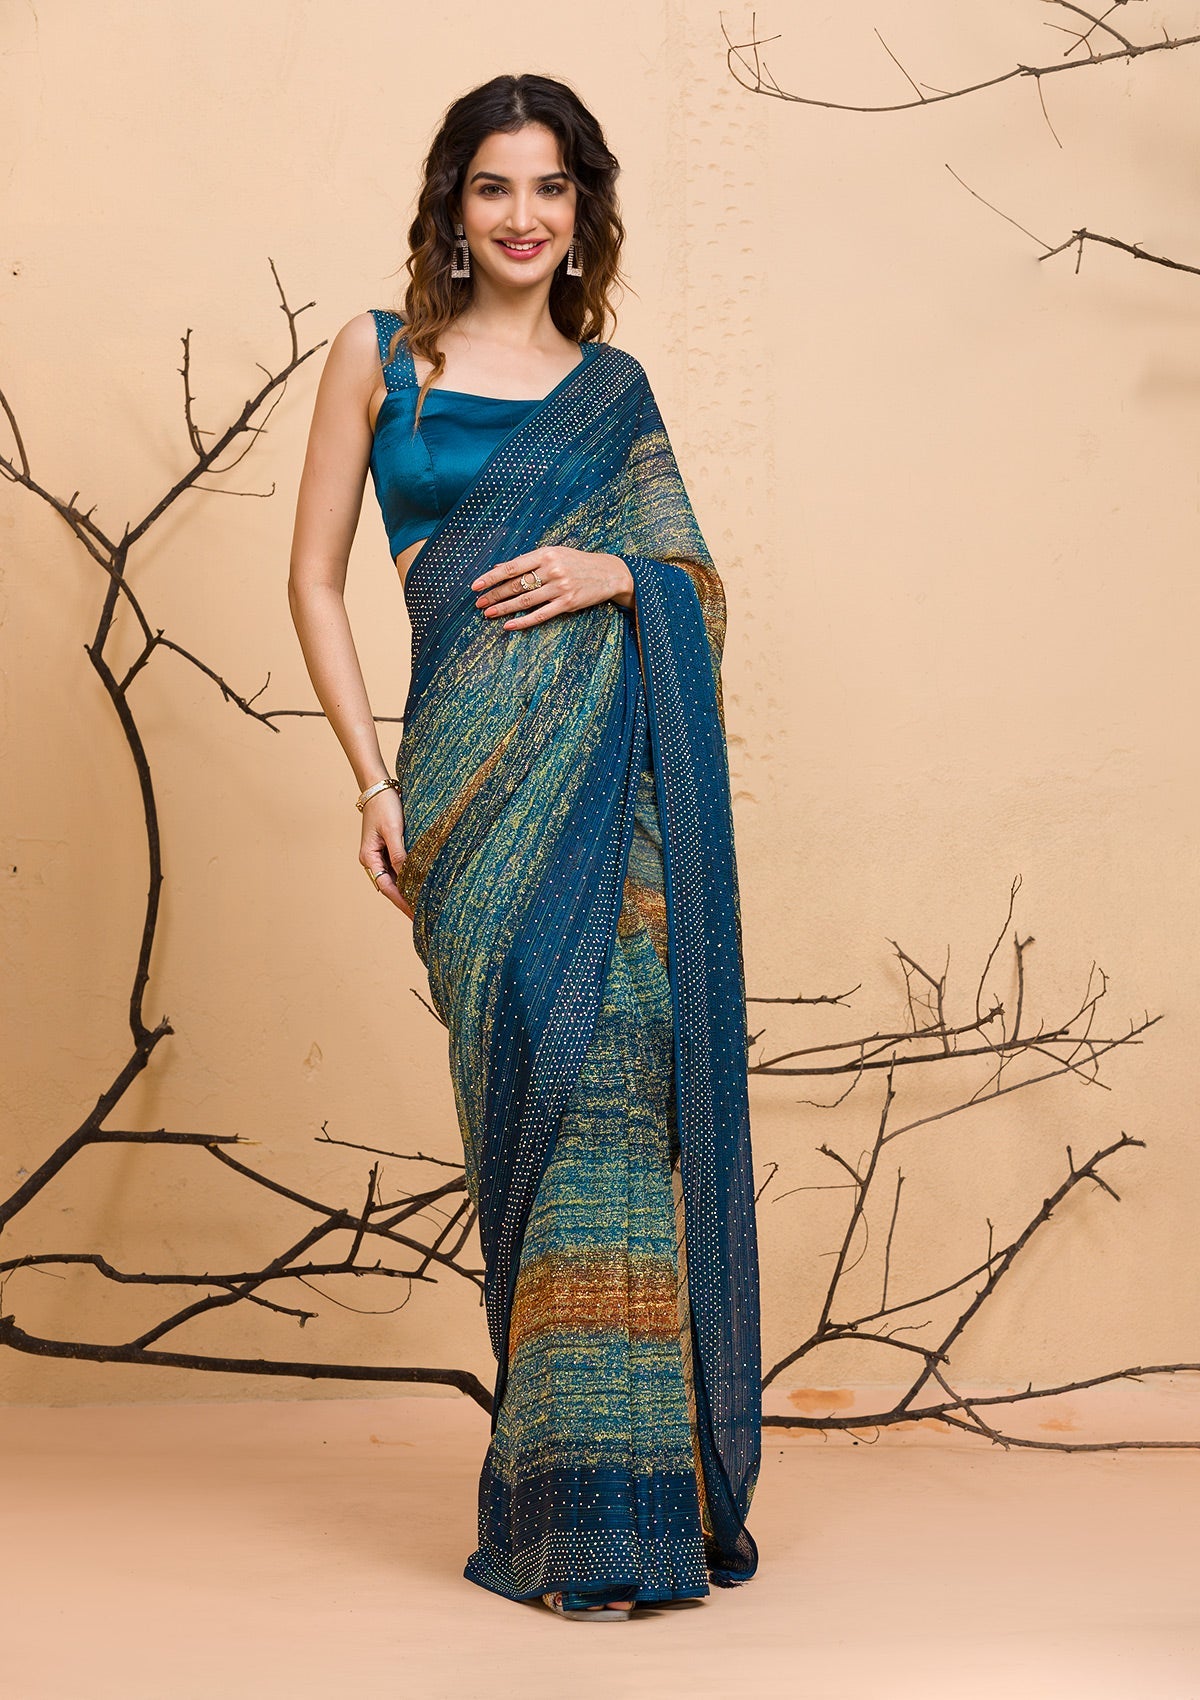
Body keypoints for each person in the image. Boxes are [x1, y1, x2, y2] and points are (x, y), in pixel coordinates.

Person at [287, 72, 761, 1620]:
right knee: (531, 1112)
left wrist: (619, 574)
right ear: (453, 203)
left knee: (617, 1092)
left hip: (614, 803)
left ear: (582, 211)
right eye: (494, 185)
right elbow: (312, 581)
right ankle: (561, 1505)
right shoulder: (380, 356)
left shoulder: (612, 391)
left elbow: (694, 580)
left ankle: (627, 1522)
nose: (522, 215)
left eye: (550, 187)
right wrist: (372, 783)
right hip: (465, 804)